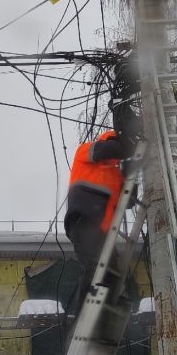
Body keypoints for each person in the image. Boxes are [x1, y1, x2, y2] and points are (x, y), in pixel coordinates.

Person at [64, 130, 135, 312]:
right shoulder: (85, 152)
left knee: (112, 271)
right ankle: (83, 315)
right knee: (94, 265)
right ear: (104, 141)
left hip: (102, 232)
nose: (116, 153)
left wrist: (131, 177)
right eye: (112, 143)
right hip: (84, 221)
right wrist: (127, 146)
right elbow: (110, 150)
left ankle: (102, 314)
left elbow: (129, 202)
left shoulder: (116, 175)